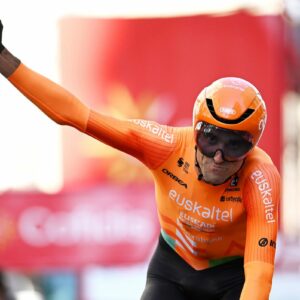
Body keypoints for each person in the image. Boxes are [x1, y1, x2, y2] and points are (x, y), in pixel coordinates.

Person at [0, 21, 280, 300]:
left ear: (251, 146)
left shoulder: (261, 177)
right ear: (195, 132)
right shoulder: (165, 146)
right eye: (209, 140)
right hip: (174, 268)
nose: (218, 156)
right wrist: (4, 58)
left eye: (233, 146)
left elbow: (259, 276)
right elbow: (75, 115)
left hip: (230, 278)